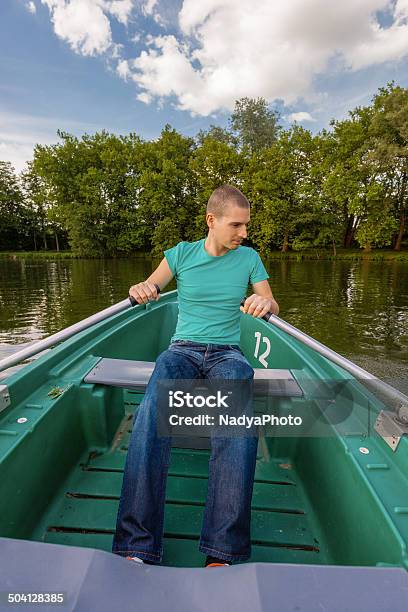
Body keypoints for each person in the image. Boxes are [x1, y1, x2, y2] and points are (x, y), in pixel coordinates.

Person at [112, 184, 279, 567]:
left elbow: (271, 301)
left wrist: (263, 301)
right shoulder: (181, 254)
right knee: (153, 412)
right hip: (181, 350)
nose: (244, 233)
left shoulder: (250, 258)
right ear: (212, 221)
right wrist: (143, 288)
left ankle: (223, 551)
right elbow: (153, 285)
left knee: (238, 420)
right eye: (236, 225)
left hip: (227, 354)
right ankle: (137, 545)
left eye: (246, 225)